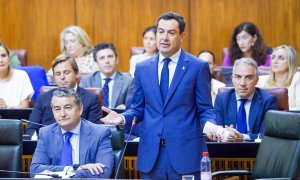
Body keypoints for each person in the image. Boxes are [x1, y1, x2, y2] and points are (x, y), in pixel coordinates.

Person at [101, 12, 239, 179]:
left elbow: (205, 110)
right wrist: (122, 118)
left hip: (185, 155)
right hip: (152, 156)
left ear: (182, 36)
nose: (164, 37)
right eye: (161, 31)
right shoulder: (143, 68)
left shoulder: (197, 67)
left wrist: (217, 130)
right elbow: (138, 109)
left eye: (171, 32)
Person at [30, 87, 113, 178]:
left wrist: (66, 173)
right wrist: (75, 169)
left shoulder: (100, 133)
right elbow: (35, 169)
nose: (62, 114)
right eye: (57, 109)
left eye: (68, 107)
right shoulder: (46, 133)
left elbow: (104, 172)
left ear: (80, 109)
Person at [25, 54, 101, 136]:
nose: (62, 77)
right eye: (58, 74)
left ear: (77, 73)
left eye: (66, 72)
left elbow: (94, 132)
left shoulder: (91, 99)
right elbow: (31, 128)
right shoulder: (43, 98)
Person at [215, 58, 277, 140]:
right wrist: (225, 133)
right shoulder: (222, 99)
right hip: (227, 148)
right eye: (238, 77)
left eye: (248, 78)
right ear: (232, 78)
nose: (242, 83)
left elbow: (267, 135)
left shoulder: (268, 101)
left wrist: (243, 137)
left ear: (256, 80)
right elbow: (216, 130)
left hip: (256, 150)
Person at [80, 42, 134, 109]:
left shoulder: (128, 81)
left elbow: (132, 107)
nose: (107, 61)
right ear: (96, 62)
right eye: (102, 58)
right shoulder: (86, 81)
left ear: (117, 59)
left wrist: (125, 108)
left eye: (110, 56)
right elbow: (81, 107)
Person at [257, 45, 300, 110]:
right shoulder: (261, 81)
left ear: (290, 62)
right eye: (273, 57)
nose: (275, 61)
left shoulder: (297, 78)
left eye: (281, 58)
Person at [0, 42, 34, 108]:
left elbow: (25, 106)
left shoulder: (21, 76)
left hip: (15, 118)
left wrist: (7, 107)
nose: (0, 60)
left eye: (3, 55)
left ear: (9, 59)